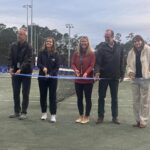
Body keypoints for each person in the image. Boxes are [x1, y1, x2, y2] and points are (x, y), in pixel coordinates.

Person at [95, 29, 124, 124]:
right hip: (104, 77)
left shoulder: (119, 47)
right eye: (105, 36)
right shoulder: (101, 47)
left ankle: (115, 117)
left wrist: (122, 74)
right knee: (101, 97)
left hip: (115, 77)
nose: (106, 38)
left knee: (114, 98)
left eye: (108, 36)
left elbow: (121, 62)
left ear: (112, 36)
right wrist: (97, 72)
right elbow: (98, 62)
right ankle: (100, 116)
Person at [8, 28, 33, 120]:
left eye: (21, 34)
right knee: (15, 92)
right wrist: (10, 67)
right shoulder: (13, 45)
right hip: (15, 73)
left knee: (25, 93)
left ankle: (24, 112)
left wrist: (21, 69)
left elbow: (28, 59)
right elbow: (10, 57)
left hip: (25, 73)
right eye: (18, 34)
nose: (19, 35)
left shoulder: (29, 47)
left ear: (25, 36)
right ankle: (16, 111)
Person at [126, 35, 150, 128]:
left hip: (145, 80)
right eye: (135, 41)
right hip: (134, 80)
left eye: (139, 41)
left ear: (142, 41)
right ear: (133, 43)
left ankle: (143, 121)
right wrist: (130, 72)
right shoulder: (131, 52)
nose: (137, 43)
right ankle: (138, 121)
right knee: (135, 101)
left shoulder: (148, 49)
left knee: (145, 101)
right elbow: (128, 65)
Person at [71, 36, 95, 124]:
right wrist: (75, 70)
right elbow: (72, 64)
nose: (83, 43)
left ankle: (87, 116)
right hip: (78, 80)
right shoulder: (76, 53)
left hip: (88, 80)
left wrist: (86, 73)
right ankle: (81, 116)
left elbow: (92, 65)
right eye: (82, 42)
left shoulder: (91, 53)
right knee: (79, 99)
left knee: (88, 99)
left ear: (88, 42)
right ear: (80, 43)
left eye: (85, 41)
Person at [37, 37, 59, 123]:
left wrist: (50, 74)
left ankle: (53, 115)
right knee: (43, 96)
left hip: (52, 79)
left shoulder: (56, 54)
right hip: (42, 78)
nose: (48, 42)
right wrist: (43, 68)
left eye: (50, 41)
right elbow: (38, 63)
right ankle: (44, 113)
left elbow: (57, 67)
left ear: (53, 43)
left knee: (52, 96)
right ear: (45, 43)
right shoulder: (41, 52)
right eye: (47, 41)